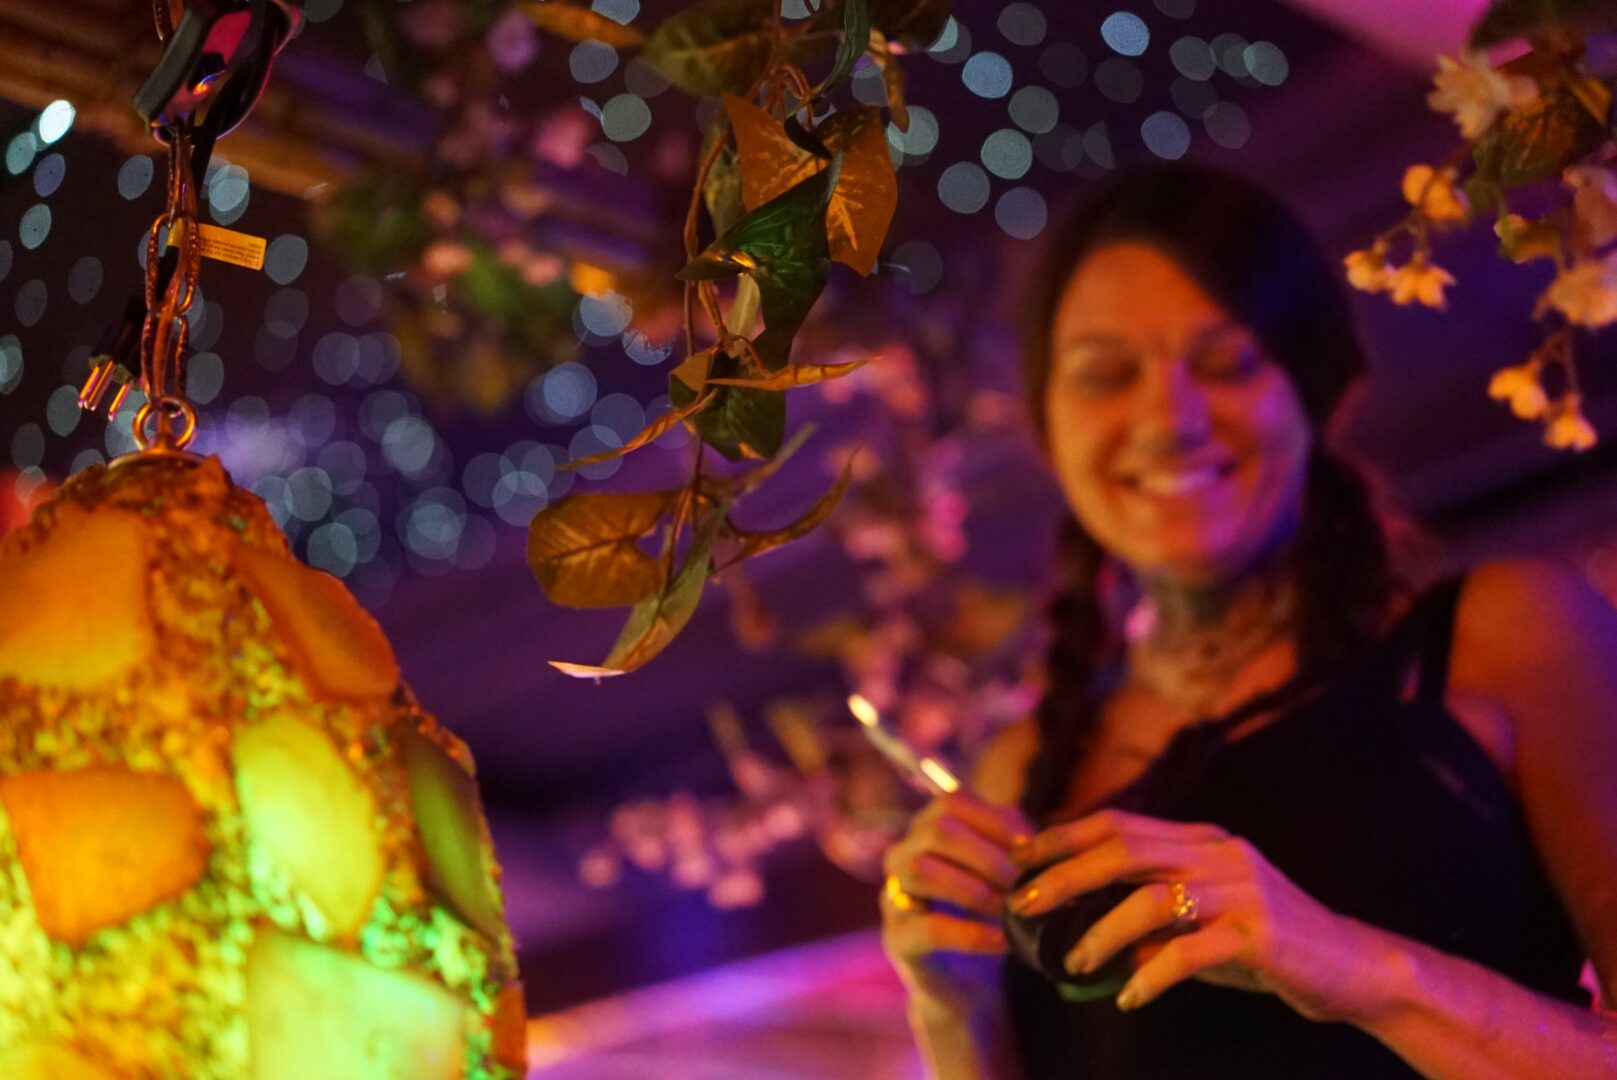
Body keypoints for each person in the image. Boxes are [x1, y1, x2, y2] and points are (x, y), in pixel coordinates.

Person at [878, 165, 1617, 1078]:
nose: (1169, 418)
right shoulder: (1022, 769)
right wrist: (951, 1009)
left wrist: (1354, 968)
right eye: (1105, 376)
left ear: (1314, 392)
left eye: (1225, 365)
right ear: (1047, 427)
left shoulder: (1507, 634)